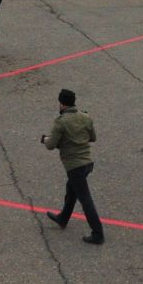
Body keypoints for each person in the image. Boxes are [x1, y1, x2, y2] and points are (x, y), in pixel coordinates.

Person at [41, 88, 104, 244]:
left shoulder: (61, 122)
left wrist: (45, 139)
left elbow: (50, 145)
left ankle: (98, 233)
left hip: (74, 165)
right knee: (71, 189)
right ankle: (63, 217)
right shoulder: (85, 117)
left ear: (62, 104)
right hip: (87, 162)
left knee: (85, 199)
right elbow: (93, 138)